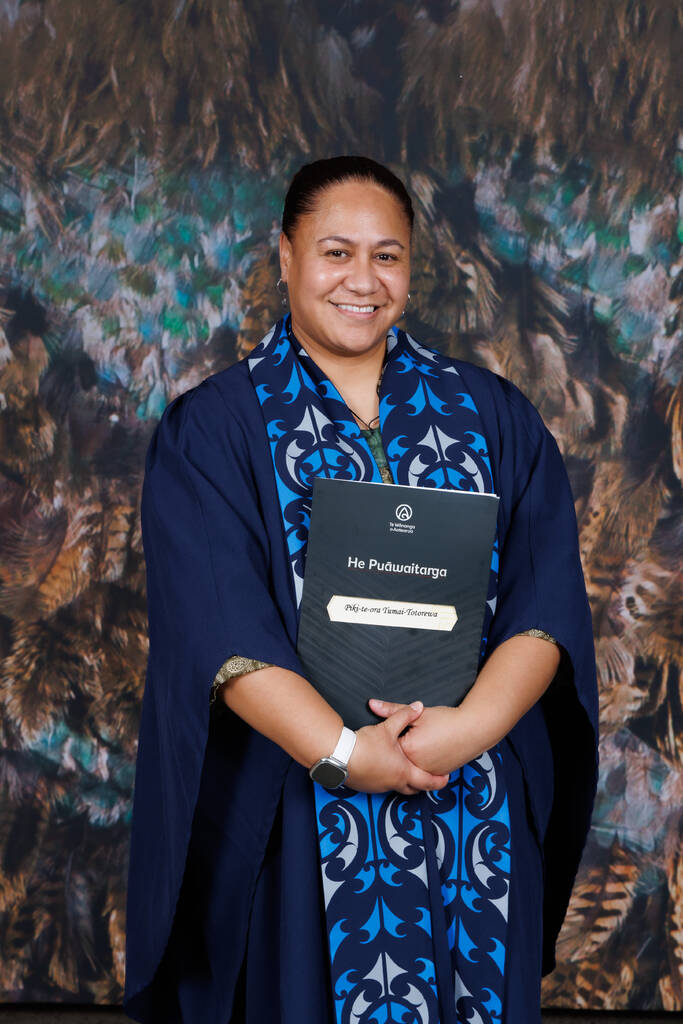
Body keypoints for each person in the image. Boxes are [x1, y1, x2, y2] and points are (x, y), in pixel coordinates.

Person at [124, 156, 598, 1024]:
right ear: (285, 257)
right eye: (335, 252)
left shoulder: (492, 416)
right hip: (302, 819)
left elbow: (545, 606)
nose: (362, 280)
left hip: (470, 802)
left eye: (387, 256)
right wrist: (349, 756)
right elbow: (220, 630)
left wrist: (466, 734)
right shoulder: (218, 429)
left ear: (411, 269)